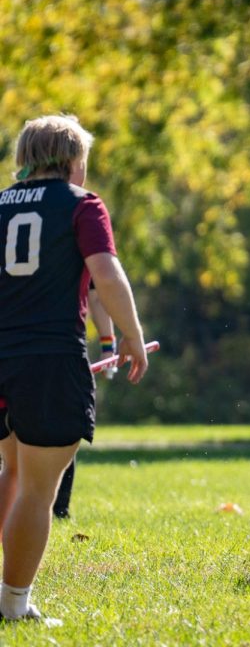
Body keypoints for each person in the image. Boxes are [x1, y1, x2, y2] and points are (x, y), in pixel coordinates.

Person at [0, 114, 149, 624]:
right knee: (38, 491)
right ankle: (14, 605)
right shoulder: (82, 205)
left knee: (12, 471)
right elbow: (106, 273)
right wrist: (129, 335)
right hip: (47, 359)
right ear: (73, 161)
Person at [51, 285, 117, 520]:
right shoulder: (76, 246)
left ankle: (58, 508)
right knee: (63, 431)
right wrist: (110, 345)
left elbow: (95, 292)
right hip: (61, 350)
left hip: (28, 349)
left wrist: (109, 347)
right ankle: (56, 508)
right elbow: (99, 290)